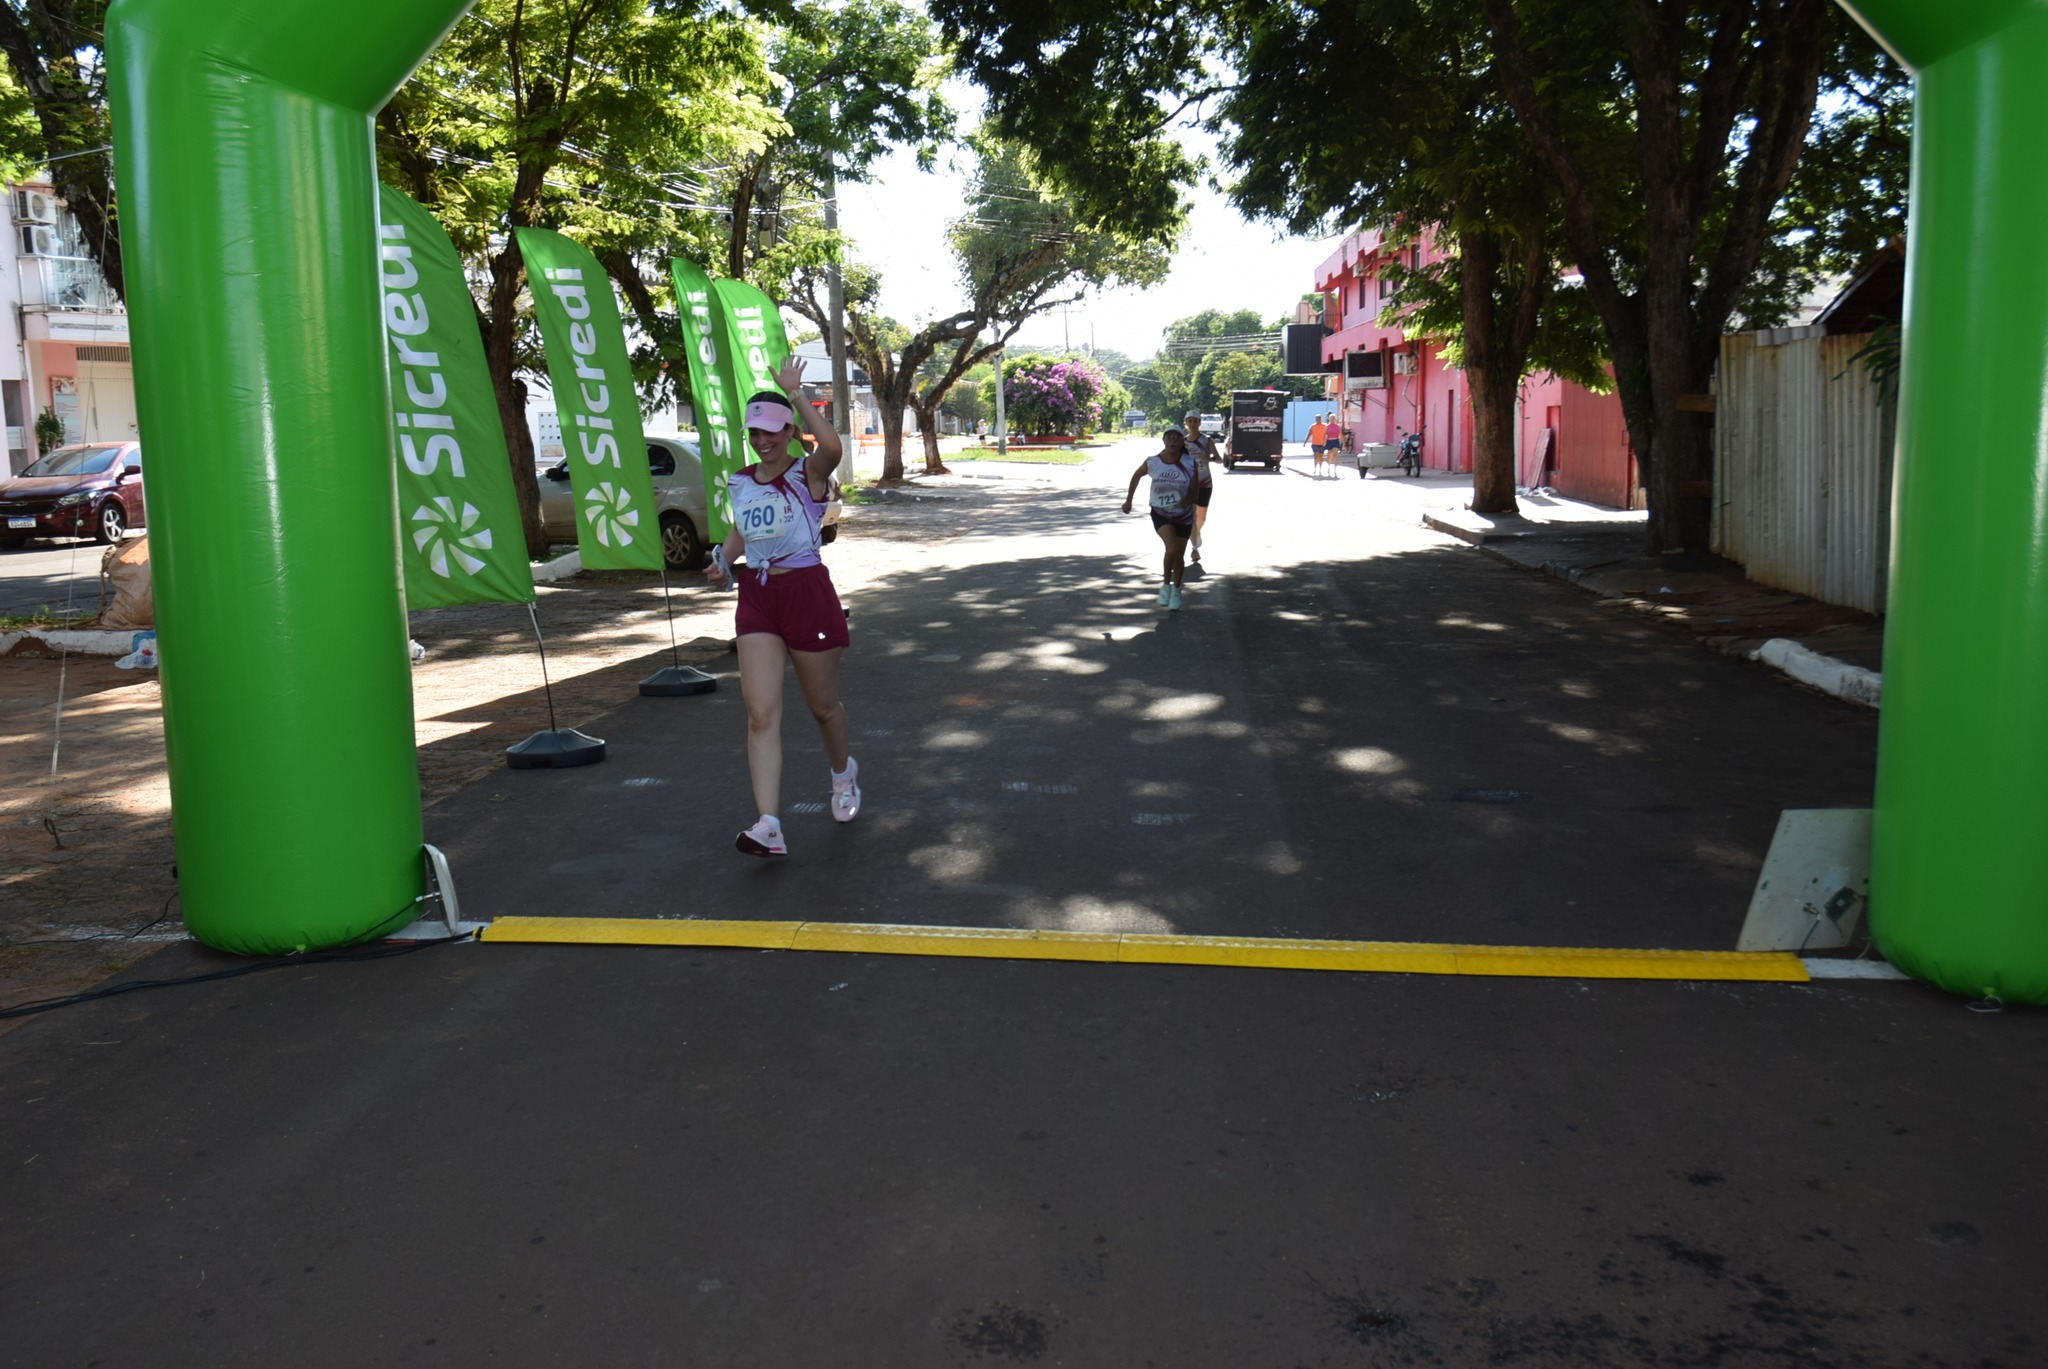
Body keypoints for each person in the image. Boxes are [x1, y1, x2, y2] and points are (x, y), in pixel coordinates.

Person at [705, 357, 859, 858]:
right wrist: (723, 562)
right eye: (755, 432)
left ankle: (843, 775)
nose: (763, 440)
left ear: (790, 431)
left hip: (806, 594)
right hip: (758, 596)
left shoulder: (808, 473)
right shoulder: (742, 481)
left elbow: (832, 447)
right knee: (759, 712)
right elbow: (740, 534)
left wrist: (796, 393)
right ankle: (769, 823)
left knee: (822, 707)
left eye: (772, 431)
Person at [1122, 426, 1199, 610]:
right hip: (1161, 513)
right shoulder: (1153, 462)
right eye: (1169, 437)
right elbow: (1136, 476)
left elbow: (1196, 490)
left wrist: (1187, 499)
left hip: (1184, 516)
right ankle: (1166, 585)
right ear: (1164, 441)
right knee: (1171, 549)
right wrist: (1128, 501)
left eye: (1176, 438)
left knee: (1179, 555)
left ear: (1182, 443)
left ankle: (1177, 590)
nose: (1172, 441)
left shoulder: (1189, 462)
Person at [1181, 409, 1218, 562]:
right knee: (1191, 516)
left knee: (1201, 517)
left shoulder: (1207, 440)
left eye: (1195, 421)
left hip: (1205, 482)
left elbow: (1220, 459)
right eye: (1190, 421)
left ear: (1200, 423)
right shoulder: (1182, 441)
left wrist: (1209, 458)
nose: (1193, 424)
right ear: (1186, 423)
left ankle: (1196, 534)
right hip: (1188, 483)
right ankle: (1195, 548)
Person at [1307, 412, 1328, 477]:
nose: (1318, 419)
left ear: (1321, 418)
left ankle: (1320, 469)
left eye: (1319, 418)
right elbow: (1309, 434)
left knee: (1321, 457)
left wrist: (1326, 442)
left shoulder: (1325, 426)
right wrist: (1305, 442)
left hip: (1322, 443)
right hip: (1314, 443)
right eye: (1317, 418)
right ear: (1315, 419)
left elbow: (1327, 434)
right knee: (1316, 456)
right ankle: (1315, 468)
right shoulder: (1312, 426)